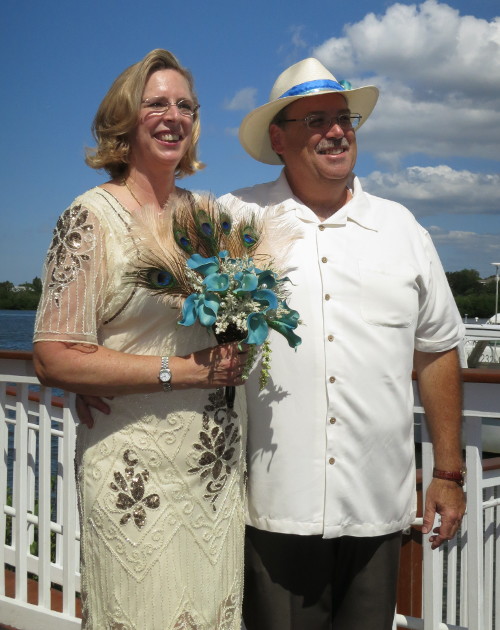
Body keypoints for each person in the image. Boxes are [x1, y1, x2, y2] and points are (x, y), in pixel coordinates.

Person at [217, 58, 467, 630]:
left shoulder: (402, 228)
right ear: (279, 138)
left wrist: (448, 474)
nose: (336, 131)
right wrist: (123, 374)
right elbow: (173, 309)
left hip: (378, 504)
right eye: (316, 121)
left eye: (344, 118)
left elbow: (436, 351)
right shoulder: (238, 220)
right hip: (276, 503)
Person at [33, 49, 248, 630]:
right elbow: (53, 356)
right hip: (135, 474)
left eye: (185, 105)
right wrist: (185, 371)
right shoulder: (90, 217)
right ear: (126, 118)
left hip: (215, 470)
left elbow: (235, 318)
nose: (173, 116)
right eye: (156, 103)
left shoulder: (207, 218)